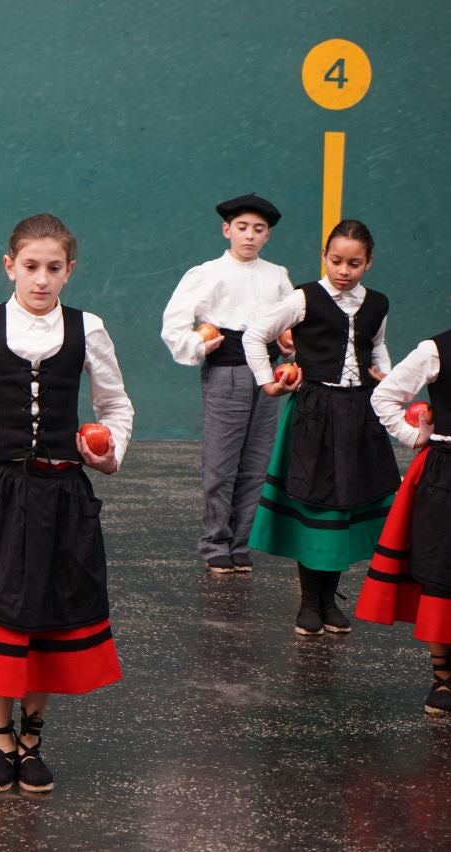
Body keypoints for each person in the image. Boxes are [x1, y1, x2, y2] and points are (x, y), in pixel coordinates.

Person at [0, 213, 133, 793]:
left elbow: (116, 407)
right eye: (32, 267)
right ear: (10, 266)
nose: (42, 280)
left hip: (62, 496)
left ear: (70, 271)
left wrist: (106, 452)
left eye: (54, 269)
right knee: (1, 619)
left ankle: (33, 737)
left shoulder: (88, 328)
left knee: (46, 620)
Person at [243, 218, 400, 636]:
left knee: (345, 502)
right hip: (315, 410)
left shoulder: (377, 304)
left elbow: (377, 345)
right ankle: (310, 601)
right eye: (336, 261)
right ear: (324, 257)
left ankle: (329, 600)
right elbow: (255, 335)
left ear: (369, 263)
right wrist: (268, 383)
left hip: (359, 412)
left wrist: (384, 375)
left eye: (354, 263)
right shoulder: (305, 298)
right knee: (316, 500)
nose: (344, 271)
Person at [161, 193, 293, 573]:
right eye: (241, 228)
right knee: (222, 461)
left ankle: (240, 541)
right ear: (226, 230)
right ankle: (215, 540)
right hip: (227, 369)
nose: (249, 236)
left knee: (257, 461)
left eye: (258, 229)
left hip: (267, 373)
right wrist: (199, 344)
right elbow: (174, 324)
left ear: (267, 235)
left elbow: (290, 321)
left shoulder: (277, 276)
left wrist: (287, 342)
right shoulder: (206, 274)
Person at [354, 331, 451, 715]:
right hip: (446, 473)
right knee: (443, 574)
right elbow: (385, 396)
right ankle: (443, 678)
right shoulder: (436, 349)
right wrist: (415, 436)